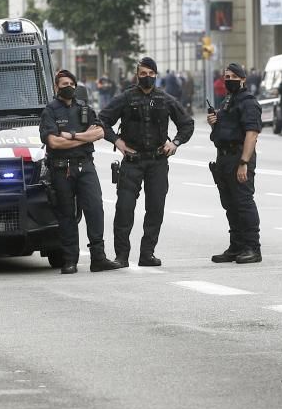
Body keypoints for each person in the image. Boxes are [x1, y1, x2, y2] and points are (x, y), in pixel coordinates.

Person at [98, 57, 194, 267]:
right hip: (132, 161)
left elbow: (187, 124)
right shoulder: (125, 98)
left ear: (156, 75)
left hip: (158, 161)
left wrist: (175, 143)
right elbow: (102, 120)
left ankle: (147, 254)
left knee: (155, 208)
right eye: (143, 73)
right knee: (124, 209)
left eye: (151, 74)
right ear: (137, 75)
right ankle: (121, 256)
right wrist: (117, 141)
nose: (147, 77)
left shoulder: (166, 99)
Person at [40, 69, 121, 274]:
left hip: (85, 165)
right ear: (56, 88)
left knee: (95, 209)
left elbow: (100, 132)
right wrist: (83, 136)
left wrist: (71, 135)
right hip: (61, 169)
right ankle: (70, 260)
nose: (68, 87)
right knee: (67, 214)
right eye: (64, 84)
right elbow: (53, 142)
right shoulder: (50, 111)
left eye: (71, 84)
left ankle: (98, 258)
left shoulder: (84, 108)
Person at [207, 62, 262, 264]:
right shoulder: (228, 101)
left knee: (243, 203)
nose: (228, 80)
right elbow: (224, 130)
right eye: (226, 77)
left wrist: (244, 162)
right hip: (224, 158)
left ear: (243, 79)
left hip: (239, 156)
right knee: (230, 204)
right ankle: (237, 246)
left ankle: (252, 248)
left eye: (233, 77)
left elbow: (252, 134)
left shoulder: (248, 102)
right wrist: (215, 123)